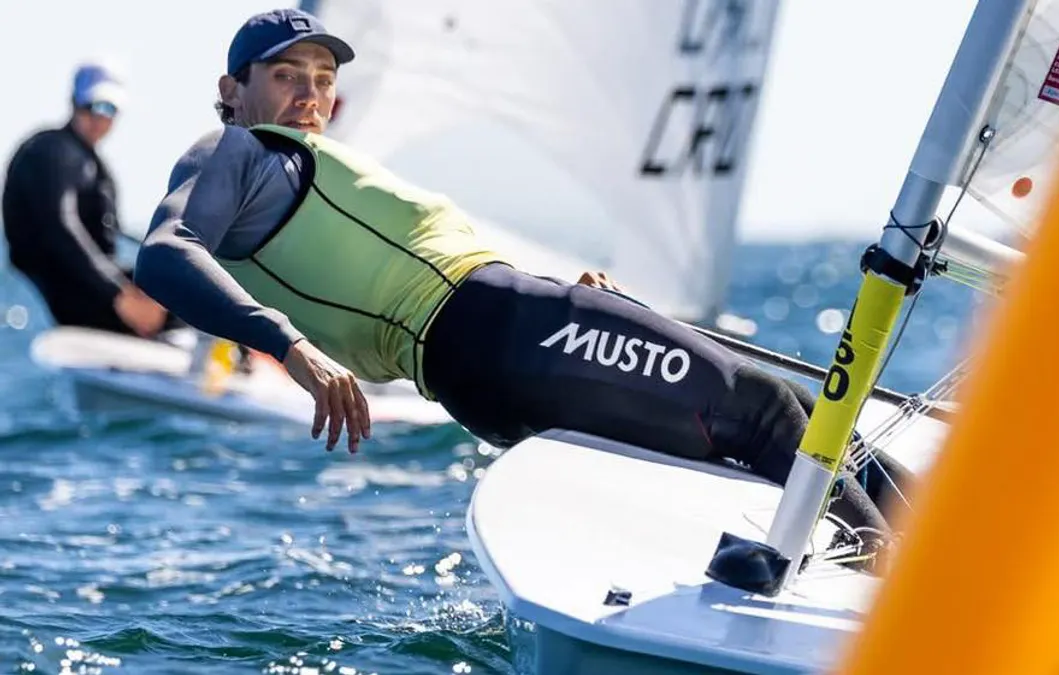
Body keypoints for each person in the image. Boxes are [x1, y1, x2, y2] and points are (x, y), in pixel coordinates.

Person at [133, 8, 913, 555]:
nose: (309, 94)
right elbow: (164, 253)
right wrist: (292, 348)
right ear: (232, 90)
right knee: (767, 413)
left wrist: (569, 298)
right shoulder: (236, 152)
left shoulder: (297, 163)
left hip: (499, 348)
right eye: (285, 75)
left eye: (323, 76)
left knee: (807, 417)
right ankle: (903, 592)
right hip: (497, 336)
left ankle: (936, 548)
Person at [2, 61, 171, 338]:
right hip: (49, 293)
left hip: (83, 285)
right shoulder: (52, 150)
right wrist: (119, 294)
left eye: (109, 109)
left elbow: (111, 236)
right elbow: (60, 226)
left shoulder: (94, 166)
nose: (99, 117)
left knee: (177, 286)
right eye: (91, 106)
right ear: (74, 103)